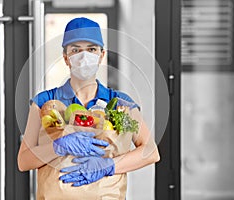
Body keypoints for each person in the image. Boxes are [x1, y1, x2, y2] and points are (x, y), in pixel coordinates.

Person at [17, 17, 160, 199]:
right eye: (76, 50)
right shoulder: (46, 102)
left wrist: (109, 166)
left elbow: (150, 152)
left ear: (101, 55)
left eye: (91, 49)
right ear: (66, 58)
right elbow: (24, 161)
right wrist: (57, 147)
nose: (84, 57)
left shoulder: (118, 104)